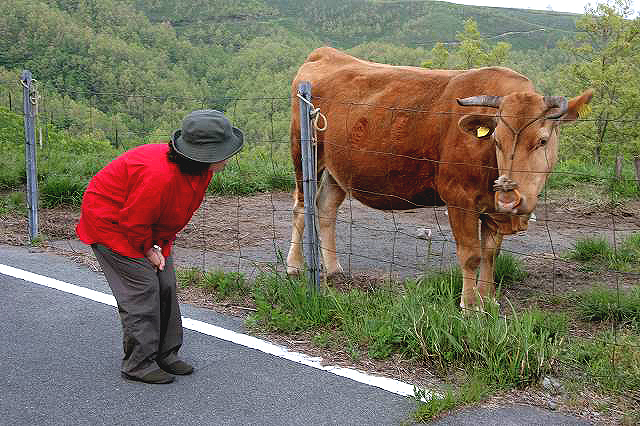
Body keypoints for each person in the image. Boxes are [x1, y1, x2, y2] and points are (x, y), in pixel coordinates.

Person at [76, 110, 243, 384]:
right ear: (203, 153)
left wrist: (161, 244)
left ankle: (165, 354)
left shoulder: (201, 171)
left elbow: (172, 211)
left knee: (165, 284)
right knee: (143, 289)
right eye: (223, 150)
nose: (228, 156)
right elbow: (133, 220)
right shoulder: (159, 175)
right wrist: (149, 249)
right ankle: (138, 364)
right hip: (111, 224)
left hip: (146, 227)